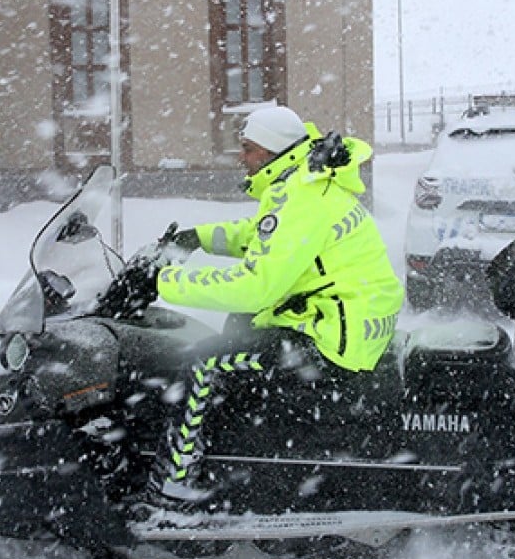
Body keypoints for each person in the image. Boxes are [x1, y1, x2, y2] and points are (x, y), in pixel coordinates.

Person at [126, 105, 405, 509]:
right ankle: (234, 450)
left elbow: (255, 287)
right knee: (238, 329)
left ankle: (172, 492)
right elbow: (264, 236)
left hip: (334, 342)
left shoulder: (305, 198)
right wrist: (198, 238)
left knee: (202, 363)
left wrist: (161, 281)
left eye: (248, 148)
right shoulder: (304, 184)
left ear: (273, 151)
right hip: (340, 321)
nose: (241, 158)